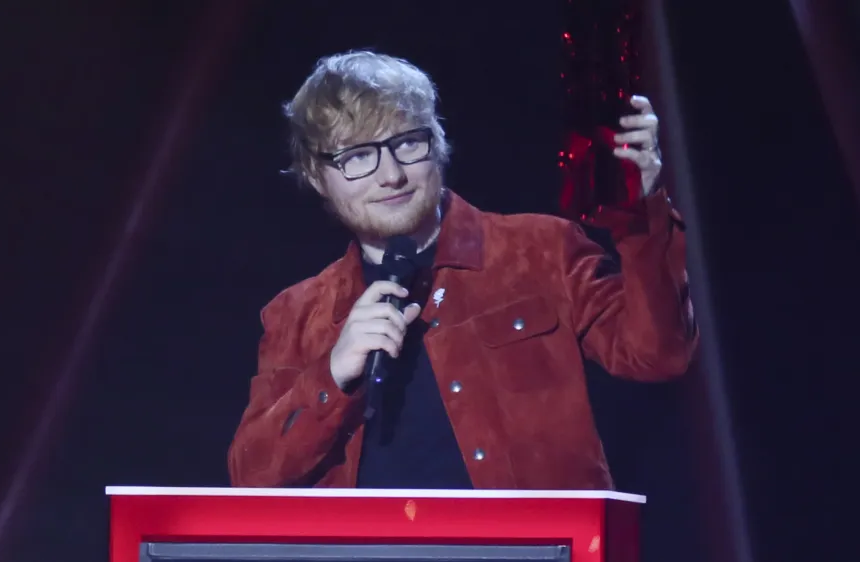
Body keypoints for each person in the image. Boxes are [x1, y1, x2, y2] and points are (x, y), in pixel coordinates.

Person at [228, 50, 697, 490]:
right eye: (358, 157)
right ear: (317, 176)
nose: (391, 175)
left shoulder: (540, 250)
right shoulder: (296, 314)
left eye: (408, 143)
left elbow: (659, 355)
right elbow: (251, 476)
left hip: (532, 542)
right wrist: (332, 374)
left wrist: (641, 209)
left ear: (437, 144)